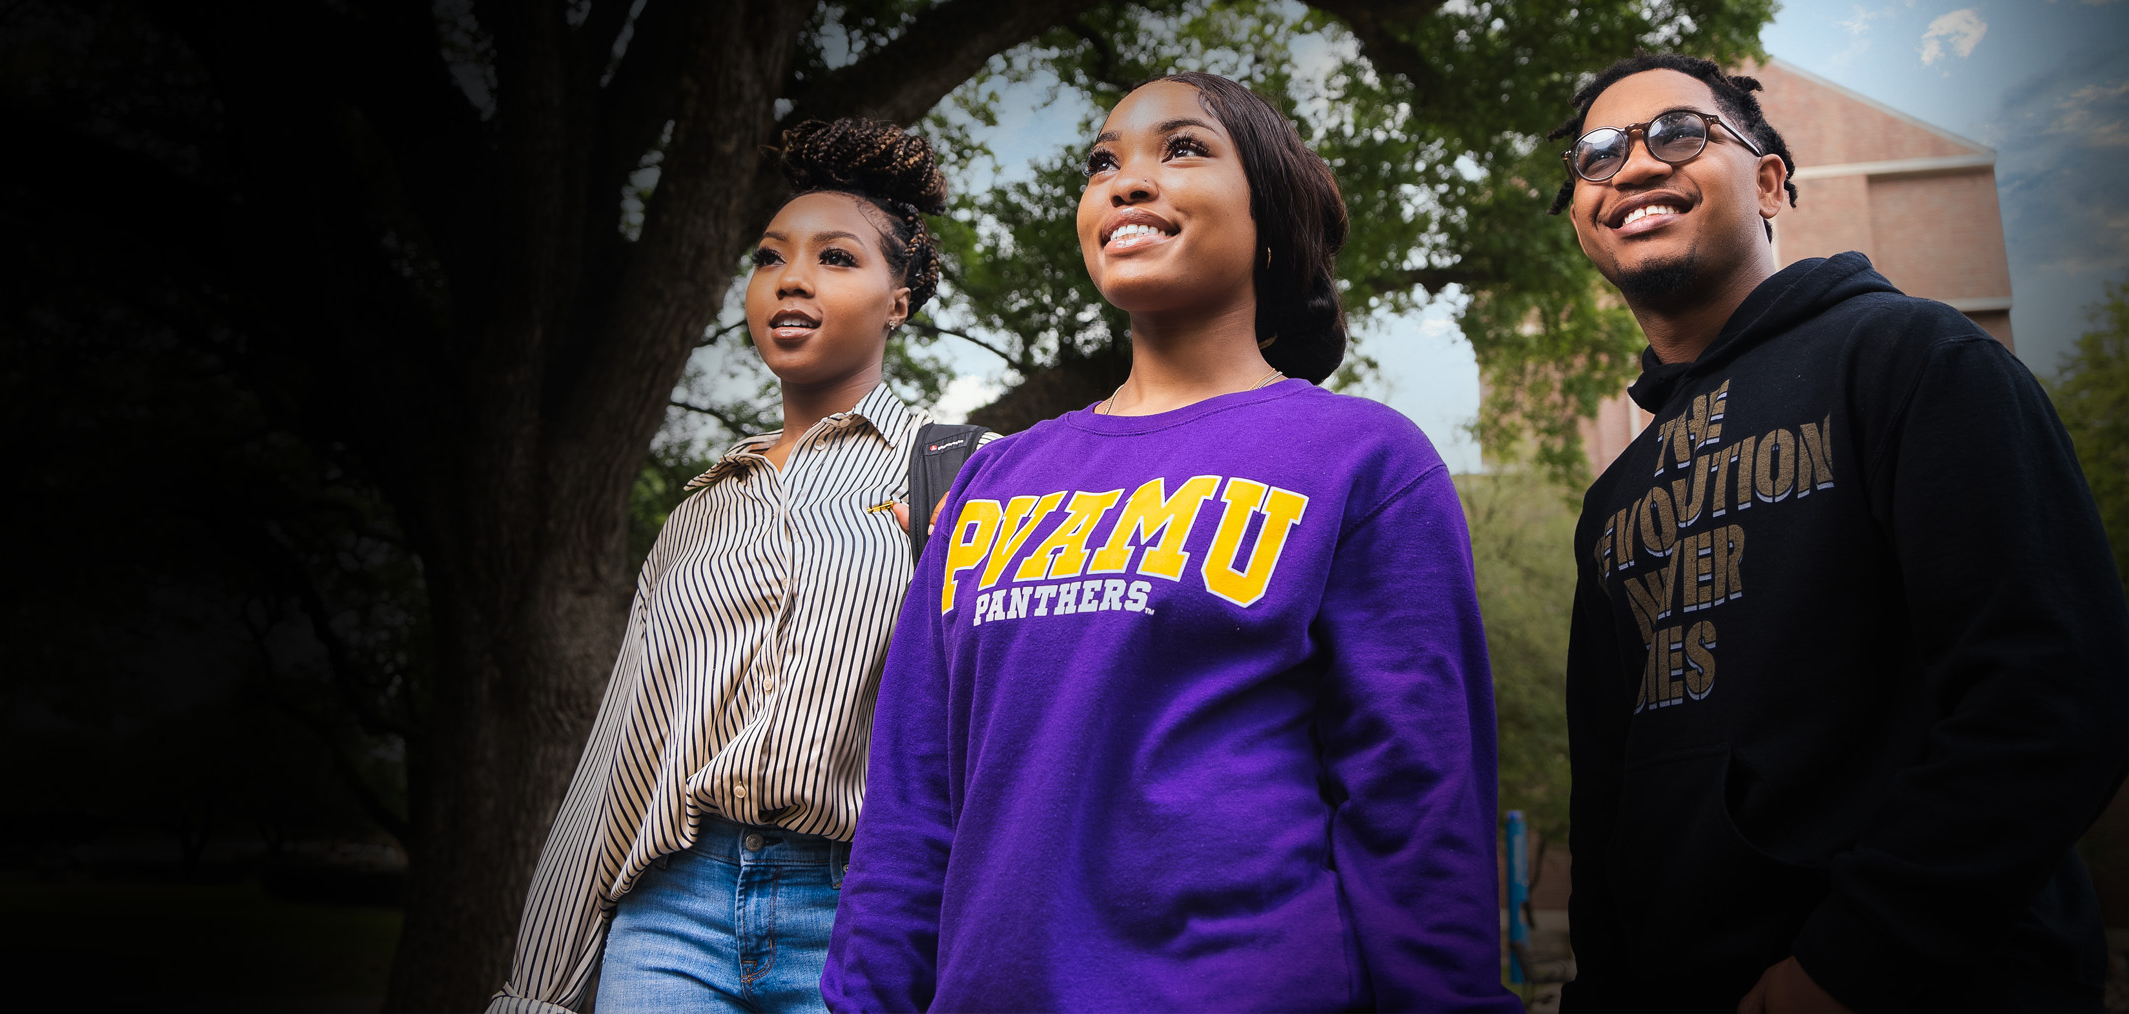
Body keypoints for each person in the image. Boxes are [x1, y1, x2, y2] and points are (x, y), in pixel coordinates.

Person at [822, 72, 1519, 1013]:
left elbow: (1417, 806)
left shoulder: (1362, 461)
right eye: (1102, 163)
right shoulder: (994, 479)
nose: (1126, 180)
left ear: (1268, 217)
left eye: (1181, 149)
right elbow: (912, 799)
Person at [1549, 54, 2129, 1013]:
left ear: (1771, 181)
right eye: (1598, 154)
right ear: (1581, 218)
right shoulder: (1614, 499)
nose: (1635, 165)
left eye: (1680, 134)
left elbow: (2055, 688)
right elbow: (1609, 798)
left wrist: (1856, 961)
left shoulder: (1913, 358)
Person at [489, 119, 976, 1014]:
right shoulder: (698, 512)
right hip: (670, 907)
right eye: (768, 257)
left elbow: (1011, 734)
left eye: (835, 258)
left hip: (864, 913)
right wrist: (537, 994)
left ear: (898, 299)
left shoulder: (971, 477)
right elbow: (615, 763)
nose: (791, 278)